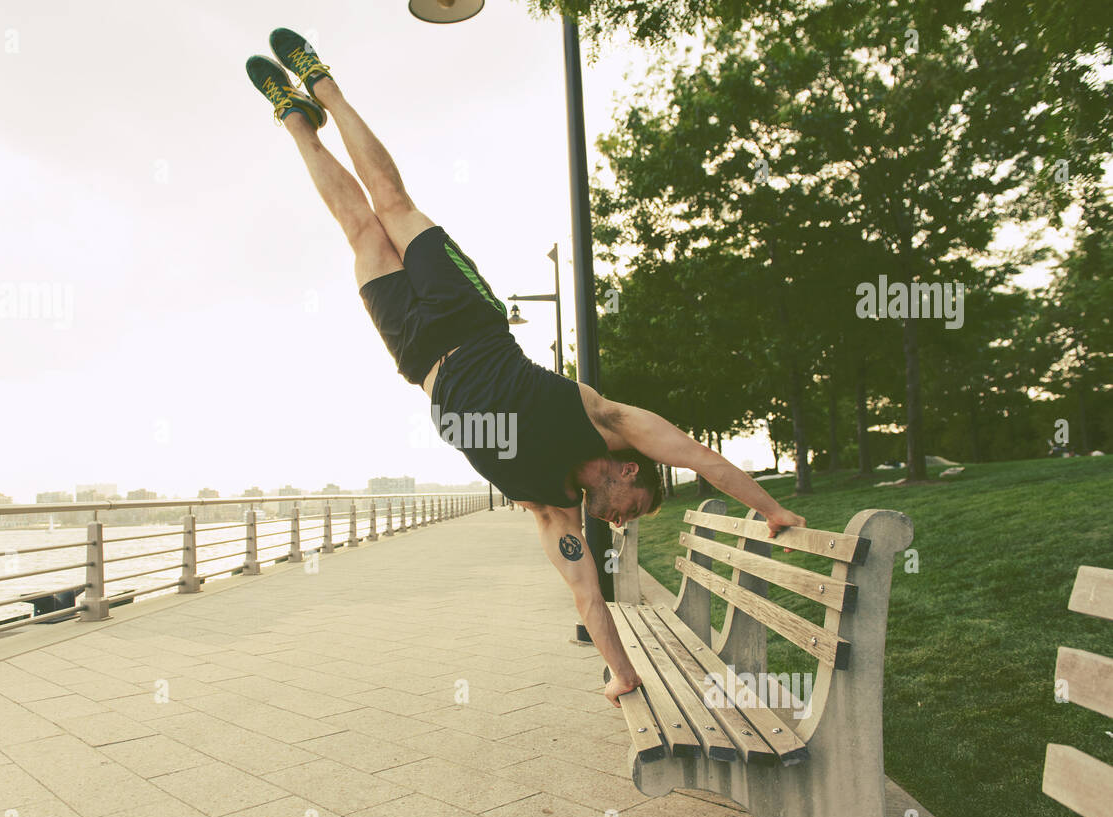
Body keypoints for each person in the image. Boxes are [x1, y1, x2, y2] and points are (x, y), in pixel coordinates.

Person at [246, 29, 806, 707]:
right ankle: (323, 82)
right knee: (391, 204)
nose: (625, 523)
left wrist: (622, 674)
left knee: (360, 231)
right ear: (631, 470)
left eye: (629, 524)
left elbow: (586, 596)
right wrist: (771, 509)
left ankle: (295, 119)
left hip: (417, 354)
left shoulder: (553, 512)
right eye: (636, 510)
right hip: (469, 314)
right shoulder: (608, 420)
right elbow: (701, 457)